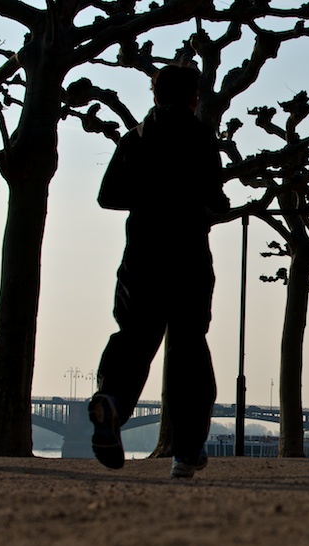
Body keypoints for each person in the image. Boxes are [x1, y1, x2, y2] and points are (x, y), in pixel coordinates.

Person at [89, 65, 229, 478]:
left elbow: (107, 196)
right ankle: (186, 451)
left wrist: (148, 197)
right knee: (189, 348)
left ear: (154, 96)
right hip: (188, 256)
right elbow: (215, 199)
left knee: (133, 339)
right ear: (194, 98)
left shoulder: (134, 139)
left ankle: (111, 401)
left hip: (142, 256)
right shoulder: (202, 137)